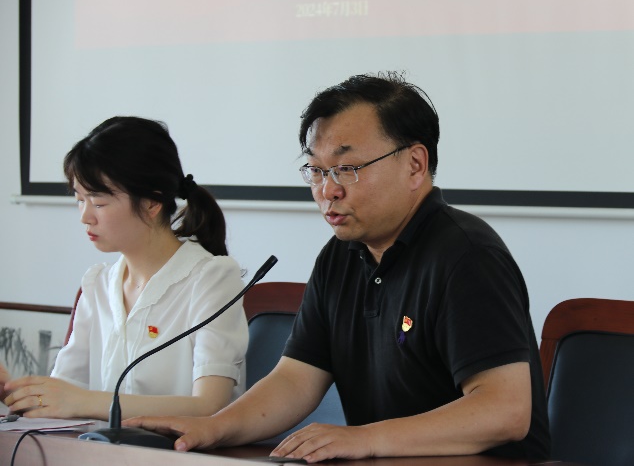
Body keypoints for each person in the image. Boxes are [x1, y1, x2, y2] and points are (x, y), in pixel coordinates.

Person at [125, 72, 550, 462]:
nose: (328, 190)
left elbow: (505, 410)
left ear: (415, 165)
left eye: (347, 168)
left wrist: (366, 438)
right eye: (316, 170)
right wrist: (213, 429)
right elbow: (296, 379)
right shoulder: (340, 255)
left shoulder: (467, 255)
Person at [1, 116, 248, 421]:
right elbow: (63, 398)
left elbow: (211, 407)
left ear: (151, 203)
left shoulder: (212, 278)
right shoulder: (98, 284)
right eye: (79, 200)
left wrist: (86, 402)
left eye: (98, 202)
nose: (85, 216)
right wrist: (12, 392)